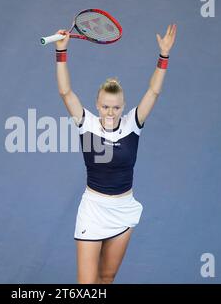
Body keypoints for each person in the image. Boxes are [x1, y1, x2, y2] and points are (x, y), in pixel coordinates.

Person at [54, 24, 177, 284]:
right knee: (87, 285)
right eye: (106, 107)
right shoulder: (85, 122)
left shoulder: (134, 122)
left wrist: (163, 56)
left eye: (116, 107)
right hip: (93, 209)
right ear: (98, 106)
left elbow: (153, 91)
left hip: (123, 209)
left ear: (123, 107)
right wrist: (61, 52)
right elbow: (65, 92)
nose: (111, 112)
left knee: (106, 278)